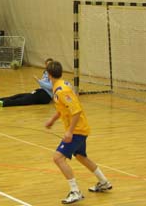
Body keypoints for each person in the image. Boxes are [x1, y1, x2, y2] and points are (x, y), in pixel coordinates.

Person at [44, 60, 111, 204]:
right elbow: (63, 109)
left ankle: (75, 192)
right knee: (80, 156)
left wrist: (69, 132)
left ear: (49, 74)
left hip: (77, 130)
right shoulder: (60, 87)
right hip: (80, 129)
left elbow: (76, 111)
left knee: (58, 158)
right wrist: (53, 120)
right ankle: (104, 181)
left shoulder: (62, 90)